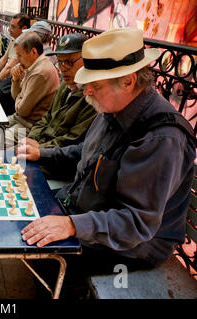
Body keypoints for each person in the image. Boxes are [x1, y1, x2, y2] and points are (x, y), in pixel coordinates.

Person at [18, 28, 196, 293]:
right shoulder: (114, 107)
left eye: (95, 84)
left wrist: (71, 224)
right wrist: (44, 153)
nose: (85, 90)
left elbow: (136, 223)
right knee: (24, 206)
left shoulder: (161, 138)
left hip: (133, 246)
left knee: (44, 254)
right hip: (87, 207)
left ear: (128, 81)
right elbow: (85, 153)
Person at [17, 33, 96, 173]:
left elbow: (72, 140)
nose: (63, 68)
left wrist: (40, 148)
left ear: (87, 59)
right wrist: (32, 139)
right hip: (43, 149)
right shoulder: (65, 86)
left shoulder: (92, 96)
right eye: (60, 62)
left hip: (57, 162)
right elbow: (46, 117)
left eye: (70, 62)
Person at [5, 32, 59, 145]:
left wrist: (19, 100)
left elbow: (22, 110)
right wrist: (15, 80)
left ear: (33, 52)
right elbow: (16, 97)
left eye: (20, 55)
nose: (18, 60)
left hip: (30, 124)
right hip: (19, 118)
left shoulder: (40, 72)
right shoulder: (32, 66)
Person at [0, 13, 30, 115]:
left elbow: (9, 67)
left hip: (15, 78)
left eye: (13, 27)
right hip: (8, 76)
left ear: (24, 28)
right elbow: (3, 60)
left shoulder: (24, 43)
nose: (9, 29)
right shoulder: (14, 40)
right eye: (10, 25)